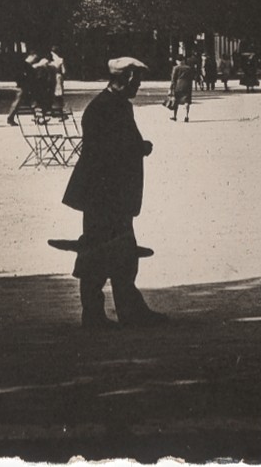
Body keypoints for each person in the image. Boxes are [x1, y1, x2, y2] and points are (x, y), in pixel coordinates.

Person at [61, 57, 167, 328]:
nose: (139, 86)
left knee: (124, 252)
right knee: (96, 252)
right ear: (127, 78)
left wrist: (137, 146)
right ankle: (95, 315)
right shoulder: (103, 108)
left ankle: (129, 310)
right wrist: (138, 148)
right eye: (137, 81)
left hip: (113, 195)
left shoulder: (116, 106)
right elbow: (104, 153)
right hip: (102, 196)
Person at [168, 53, 197, 122]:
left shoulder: (175, 68)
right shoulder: (188, 68)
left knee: (176, 100)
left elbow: (173, 79)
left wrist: (171, 88)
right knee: (187, 101)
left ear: (177, 61)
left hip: (178, 85)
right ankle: (186, 116)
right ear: (183, 60)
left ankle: (175, 116)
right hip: (187, 85)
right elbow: (192, 76)